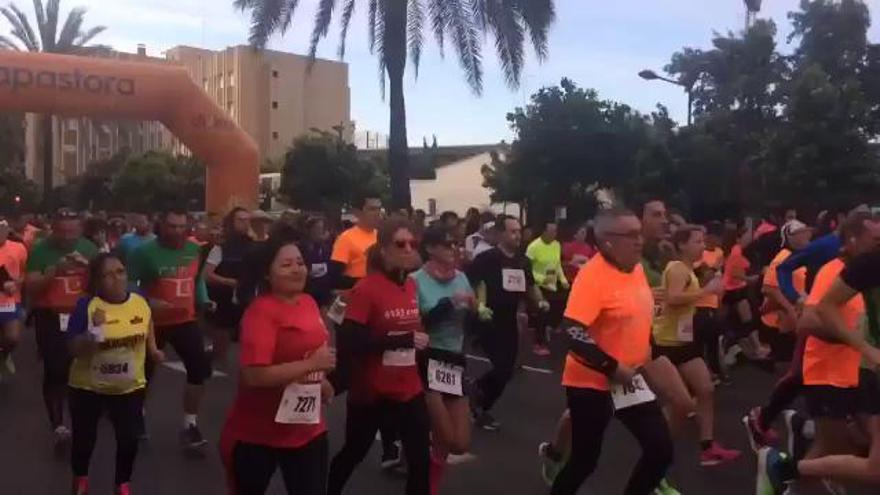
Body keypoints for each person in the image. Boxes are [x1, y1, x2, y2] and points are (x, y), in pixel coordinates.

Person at [550, 207, 673, 495]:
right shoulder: (593, 277)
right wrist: (612, 367)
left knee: (660, 451)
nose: (639, 240)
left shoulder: (637, 267)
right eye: (630, 235)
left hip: (630, 381)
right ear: (606, 241)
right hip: (591, 382)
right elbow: (572, 331)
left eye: (638, 233)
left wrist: (648, 355)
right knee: (585, 460)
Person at [757, 212, 880, 492]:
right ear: (852, 239)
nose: (879, 245)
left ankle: (801, 432)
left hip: (856, 372)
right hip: (827, 372)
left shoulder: (866, 275)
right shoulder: (835, 272)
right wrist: (858, 342)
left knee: (855, 443)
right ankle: (784, 475)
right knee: (832, 445)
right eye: (875, 239)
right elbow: (809, 323)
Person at [219, 237, 337, 495]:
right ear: (267, 274)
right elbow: (254, 375)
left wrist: (320, 379)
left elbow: (306, 353)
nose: (297, 269)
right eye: (286, 265)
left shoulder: (307, 302)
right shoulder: (260, 313)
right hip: (258, 435)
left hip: (307, 430)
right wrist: (310, 365)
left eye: (300, 263)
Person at [327, 219, 430, 495]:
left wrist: (419, 341)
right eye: (400, 244)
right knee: (354, 452)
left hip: (409, 389)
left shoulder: (410, 286)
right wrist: (402, 340)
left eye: (413, 243)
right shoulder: (367, 289)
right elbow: (351, 342)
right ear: (383, 250)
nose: (408, 249)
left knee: (421, 461)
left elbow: (411, 329)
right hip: (372, 392)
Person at [67, 253, 162, 495]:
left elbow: (147, 323)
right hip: (88, 386)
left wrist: (153, 350)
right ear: (97, 281)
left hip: (129, 386)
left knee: (129, 439)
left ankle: (122, 483)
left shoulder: (140, 301)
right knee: (84, 440)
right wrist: (95, 330)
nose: (116, 279)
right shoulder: (86, 306)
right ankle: (81, 478)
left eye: (120, 272)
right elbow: (75, 350)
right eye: (107, 275)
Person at [653, 225, 741, 466]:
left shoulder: (687, 269)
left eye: (703, 241)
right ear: (682, 245)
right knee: (680, 405)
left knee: (705, 389)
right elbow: (672, 299)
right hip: (667, 343)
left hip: (684, 340)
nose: (703, 245)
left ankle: (707, 446)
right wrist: (705, 291)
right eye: (697, 241)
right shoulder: (678, 268)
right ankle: (655, 443)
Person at [128, 209, 213, 451]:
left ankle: (190, 424)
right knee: (144, 373)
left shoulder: (193, 249)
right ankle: (137, 415)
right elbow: (129, 284)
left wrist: (203, 300)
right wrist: (147, 300)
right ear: (161, 226)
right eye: (172, 226)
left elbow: (196, 281)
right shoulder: (143, 252)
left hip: (185, 320)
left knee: (199, 368)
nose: (177, 232)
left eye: (181, 227)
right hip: (152, 323)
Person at [25, 208, 99, 450]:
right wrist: (54, 270)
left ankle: (84, 417)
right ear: (53, 229)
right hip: (51, 316)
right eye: (62, 231)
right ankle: (58, 424)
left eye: (72, 231)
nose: (67, 237)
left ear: (79, 229)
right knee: (56, 369)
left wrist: (87, 266)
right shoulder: (41, 250)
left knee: (84, 369)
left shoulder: (89, 248)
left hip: (81, 315)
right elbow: (32, 288)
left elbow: (106, 281)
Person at [467, 215, 548, 430]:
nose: (517, 235)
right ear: (501, 233)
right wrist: (478, 306)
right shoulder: (487, 258)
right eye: (512, 231)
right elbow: (470, 283)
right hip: (488, 320)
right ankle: (479, 400)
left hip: (510, 320)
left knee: (508, 369)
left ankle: (480, 399)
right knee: (502, 368)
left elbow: (531, 286)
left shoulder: (522, 261)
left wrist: (540, 302)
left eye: (519, 231)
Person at [411, 225, 475, 495]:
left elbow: (472, 319)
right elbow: (417, 322)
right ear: (430, 249)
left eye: (456, 244)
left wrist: (477, 311)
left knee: (459, 443)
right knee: (444, 438)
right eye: (448, 244)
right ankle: (426, 484)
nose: (454, 249)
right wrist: (449, 302)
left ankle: (417, 446)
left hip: (454, 359)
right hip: (429, 359)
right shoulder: (415, 280)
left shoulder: (461, 277)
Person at [203, 208, 253, 366]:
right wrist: (228, 282)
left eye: (247, 220)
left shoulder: (253, 246)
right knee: (221, 347)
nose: (245, 223)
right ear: (231, 223)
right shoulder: (220, 248)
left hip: (246, 297)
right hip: (223, 299)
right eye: (240, 220)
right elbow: (206, 275)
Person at [760, 221, 811, 361]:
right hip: (782, 323)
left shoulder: (797, 257)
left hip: (795, 320)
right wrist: (790, 310)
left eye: (806, 231)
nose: (807, 235)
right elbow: (768, 289)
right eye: (801, 233)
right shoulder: (782, 258)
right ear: (790, 237)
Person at [526, 220, 569, 356]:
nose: (554, 234)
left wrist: (563, 280)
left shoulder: (556, 245)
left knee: (561, 306)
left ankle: (550, 328)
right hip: (538, 285)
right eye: (551, 231)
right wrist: (540, 279)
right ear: (544, 232)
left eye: (556, 231)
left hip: (552, 283)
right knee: (542, 310)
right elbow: (527, 269)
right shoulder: (533, 247)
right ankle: (538, 343)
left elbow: (557, 265)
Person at [693, 221, 725, 382]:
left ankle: (716, 372)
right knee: (699, 344)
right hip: (698, 305)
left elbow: (720, 279)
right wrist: (712, 269)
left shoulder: (719, 252)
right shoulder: (698, 257)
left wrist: (720, 300)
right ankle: (704, 375)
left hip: (713, 303)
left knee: (714, 341)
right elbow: (700, 282)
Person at [0, 216, 27, 381]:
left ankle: (5, 356)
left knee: (12, 338)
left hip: (10, 302)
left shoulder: (19, 248)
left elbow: (26, 274)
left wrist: (18, 282)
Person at [300, 216, 334, 308]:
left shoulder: (325, 248)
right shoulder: (302, 247)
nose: (320, 231)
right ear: (310, 230)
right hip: (309, 291)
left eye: (322, 228)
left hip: (324, 291)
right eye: (317, 228)